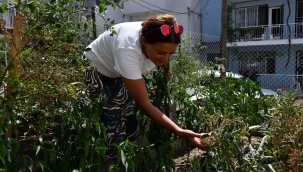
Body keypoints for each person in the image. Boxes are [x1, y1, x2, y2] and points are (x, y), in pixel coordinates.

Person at [83, 14, 209, 160]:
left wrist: (164, 70)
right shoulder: (128, 49)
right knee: (112, 121)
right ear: (144, 41)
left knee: (131, 118)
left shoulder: (154, 37)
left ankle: (129, 160)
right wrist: (180, 131)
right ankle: (109, 162)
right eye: (161, 53)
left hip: (117, 70)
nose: (166, 58)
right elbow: (144, 104)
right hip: (96, 67)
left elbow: (163, 54)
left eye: (171, 53)